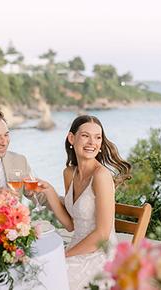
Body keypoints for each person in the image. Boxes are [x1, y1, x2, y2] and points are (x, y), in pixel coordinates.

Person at [39, 115, 131, 290]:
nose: (92, 142)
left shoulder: (101, 176)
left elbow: (103, 234)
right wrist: (49, 191)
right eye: (85, 136)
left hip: (101, 253)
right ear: (71, 138)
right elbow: (70, 225)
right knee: (37, 273)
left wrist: (65, 256)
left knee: (49, 280)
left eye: (98, 137)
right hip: (78, 246)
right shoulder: (69, 173)